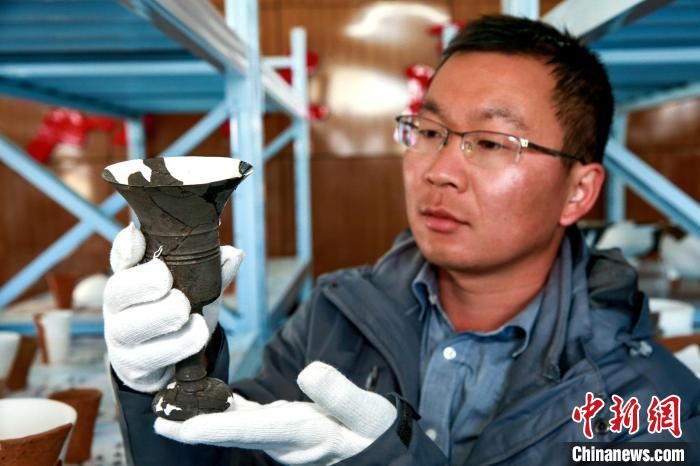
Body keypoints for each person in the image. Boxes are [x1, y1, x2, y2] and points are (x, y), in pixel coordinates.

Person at [103, 15, 700, 466]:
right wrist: (163, 387)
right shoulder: (334, 316)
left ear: (579, 190)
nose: (440, 170)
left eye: (491, 143)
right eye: (429, 130)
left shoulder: (648, 404)